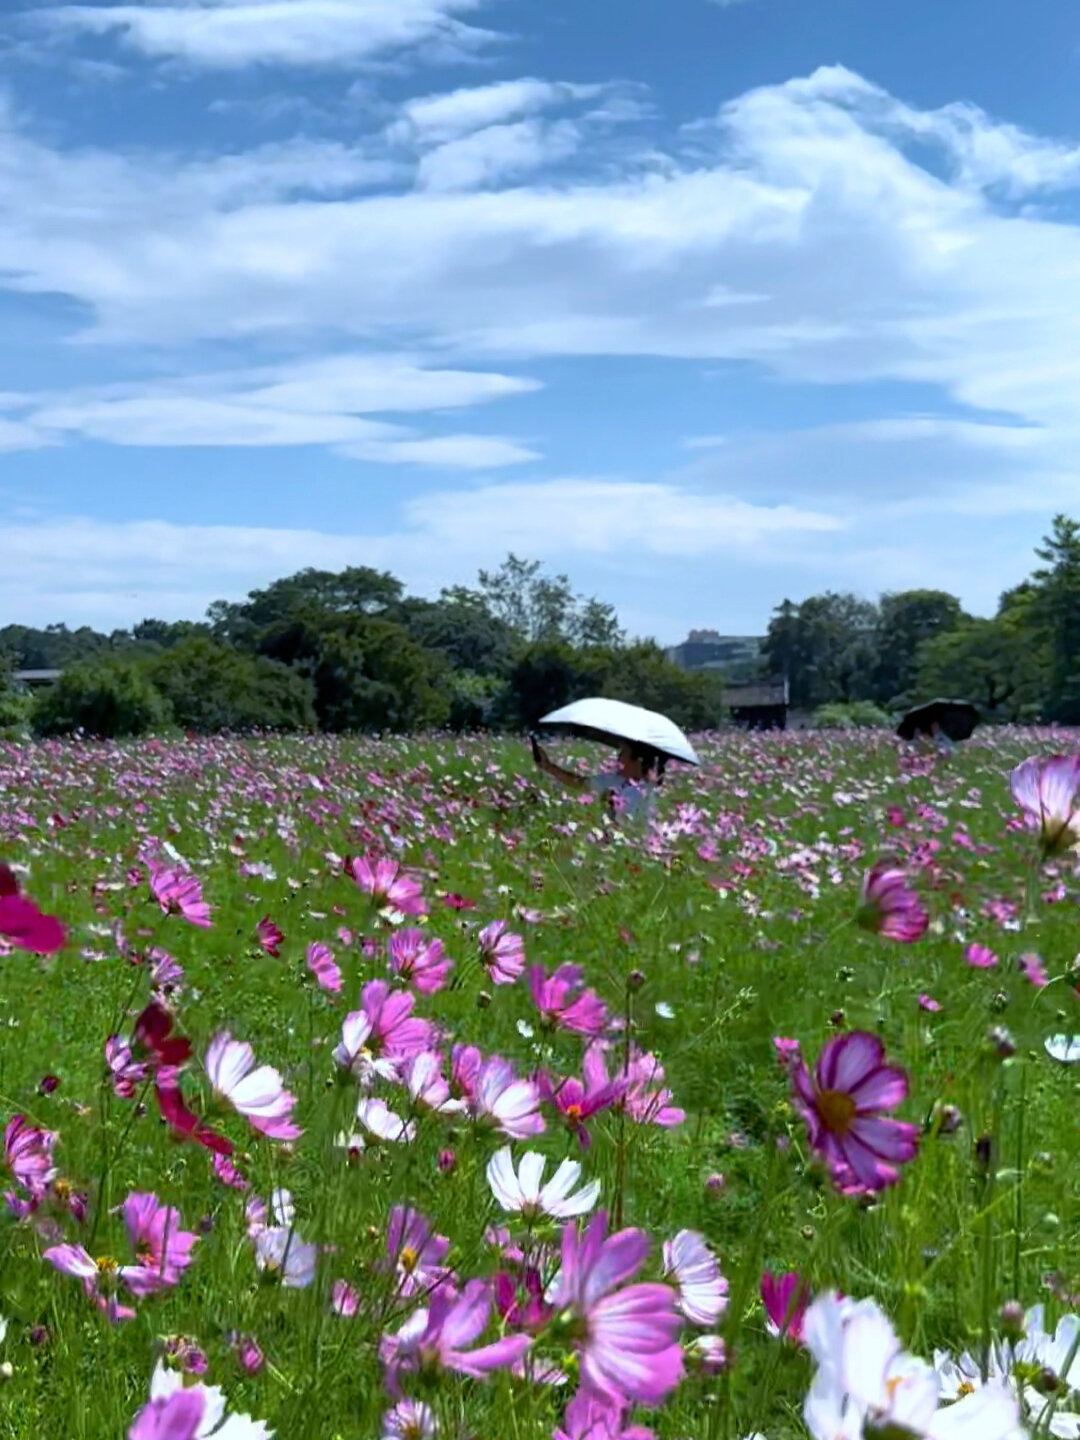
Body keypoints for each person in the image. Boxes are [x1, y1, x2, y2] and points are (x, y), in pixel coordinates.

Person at [530, 733, 664, 821]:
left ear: (637, 760)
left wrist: (611, 809)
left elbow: (628, 825)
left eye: (623, 753)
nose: (618, 758)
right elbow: (580, 783)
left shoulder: (646, 791)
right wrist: (548, 766)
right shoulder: (613, 780)